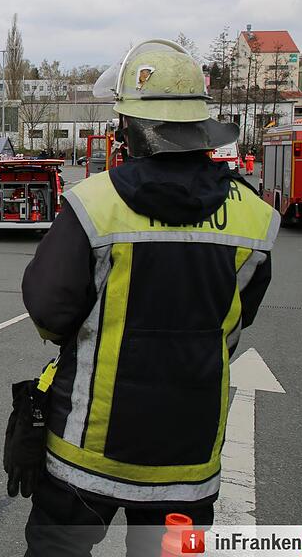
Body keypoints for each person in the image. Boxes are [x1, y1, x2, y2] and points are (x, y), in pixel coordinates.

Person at [14, 39, 278, 556]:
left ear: (126, 127)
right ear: (202, 127)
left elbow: (48, 309)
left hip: (87, 453)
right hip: (188, 457)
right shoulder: (254, 216)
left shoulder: (94, 203)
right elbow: (237, 318)